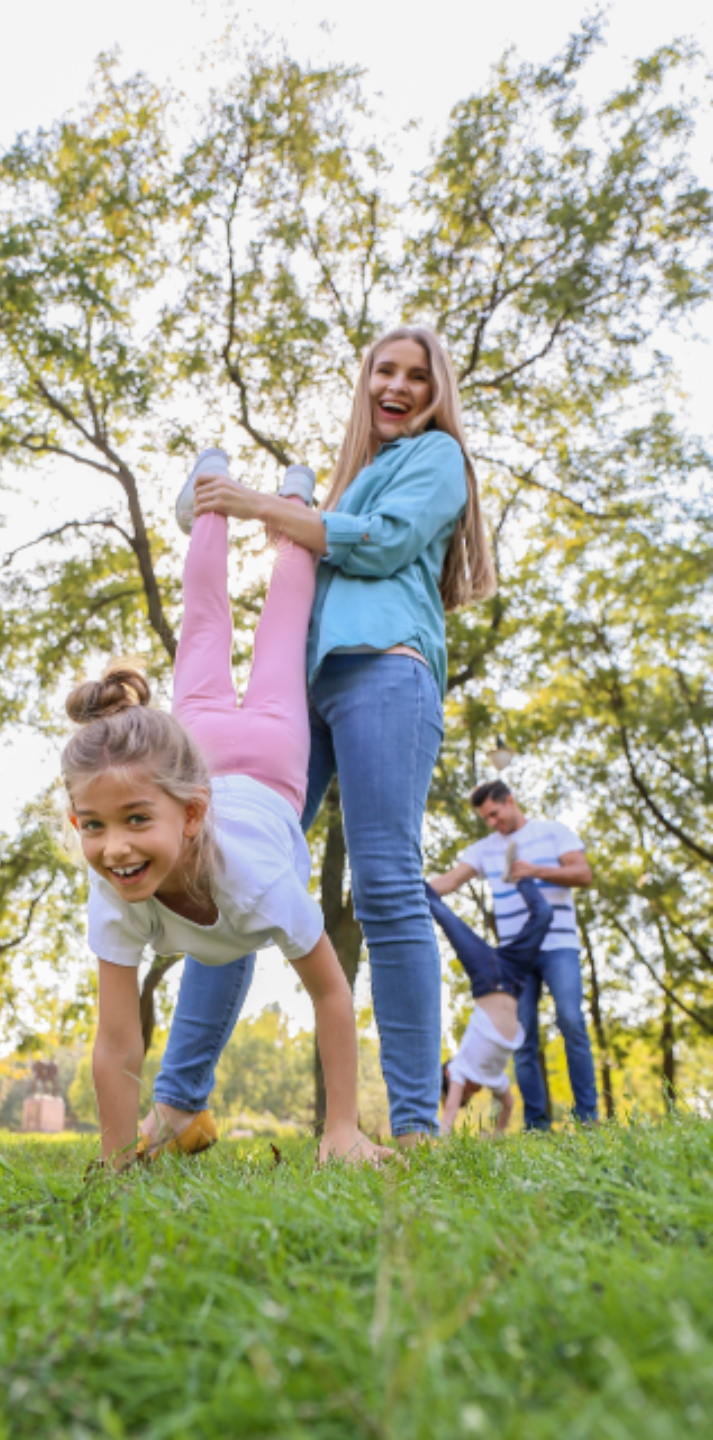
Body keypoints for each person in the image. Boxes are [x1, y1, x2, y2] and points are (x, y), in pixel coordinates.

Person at [139, 325, 496, 1153]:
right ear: (365, 381)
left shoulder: (439, 459)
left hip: (385, 672)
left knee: (384, 885)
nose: (398, 386)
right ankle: (180, 1105)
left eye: (417, 376)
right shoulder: (358, 474)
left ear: (437, 392)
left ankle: (414, 1125)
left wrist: (264, 506)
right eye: (385, 371)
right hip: (310, 689)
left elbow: (388, 544)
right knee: (226, 869)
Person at [61, 452, 390, 1168]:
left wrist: (341, 1131)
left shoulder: (258, 883)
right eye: (94, 826)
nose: (115, 848)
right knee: (242, 622)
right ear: (76, 823)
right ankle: (243, 494)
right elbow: (116, 1039)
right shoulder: (114, 886)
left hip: (265, 757)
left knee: (246, 624)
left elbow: (332, 997)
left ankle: (244, 495)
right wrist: (116, 1164)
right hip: (214, 745)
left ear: (190, 815)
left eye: (135, 821)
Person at [428, 779, 599, 1129]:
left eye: (494, 814)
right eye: (485, 818)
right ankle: (536, 1124)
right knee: (522, 1039)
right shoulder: (484, 849)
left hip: (558, 945)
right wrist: (407, 886)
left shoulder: (553, 832)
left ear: (509, 801)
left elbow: (583, 873)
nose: (491, 822)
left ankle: (588, 1118)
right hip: (515, 958)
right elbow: (449, 881)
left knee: (570, 1019)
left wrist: (535, 871)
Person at [425, 879, 552, 1136]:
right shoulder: (493, 1078)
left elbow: (449, 1112)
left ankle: (407, 875)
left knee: (439, 912)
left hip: (487, 976)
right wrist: (496, 1134)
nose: (474, 1091)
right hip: (515, 976)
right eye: (470, 1096)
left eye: (467, 1093)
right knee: (545, 914)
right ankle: (522, 878)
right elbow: (508, 1104)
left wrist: (440, 1144)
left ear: (449, 1077)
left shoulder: (460, 1068)